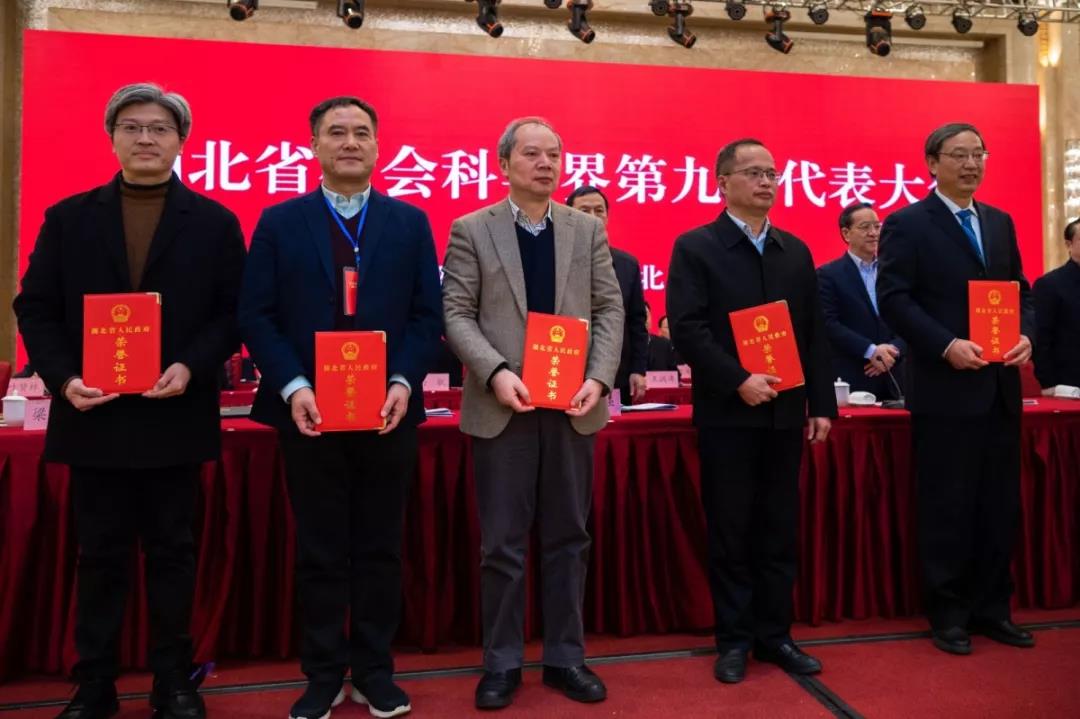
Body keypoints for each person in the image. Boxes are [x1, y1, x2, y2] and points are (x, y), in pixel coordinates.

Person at [13, 82, 246, 719]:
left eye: (160, 129)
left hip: (175, 412)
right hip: (94, 413)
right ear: (112, 138)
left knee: (174, 553)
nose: (146, 138)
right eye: (133, 127)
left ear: (181, 141)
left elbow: (233, 313)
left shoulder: (215, 223)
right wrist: (64, 379)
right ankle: (94, 684)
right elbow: (35, 307)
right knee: (99, 557)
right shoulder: (69, 218)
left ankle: (175, 682)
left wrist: (191, 365)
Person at [238, 96, 443, 719]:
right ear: (314, 146)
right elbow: (257, 314)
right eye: (336, 133)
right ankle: (324, 674)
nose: (350, 142)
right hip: (308, 413)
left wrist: (404, 380)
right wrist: (294, 386)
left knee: (381, 547)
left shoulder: (409, 222)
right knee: (320, 549)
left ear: (378, 147)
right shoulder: (280, 221)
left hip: (387, 411)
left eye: (361, 133)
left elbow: (426, 315)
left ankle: (375, 671)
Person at [442, 117, 623, 710]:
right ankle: (501, 663)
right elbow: (457, 313)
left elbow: (609, 308)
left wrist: (598, 377)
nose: (545, 164)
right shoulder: (472, 228)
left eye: (554, 155)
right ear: (504, 164)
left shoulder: (584, 229)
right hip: (504, 407)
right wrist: (495, 372)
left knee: (570, 537)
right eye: (531, 154)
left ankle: (566, 658)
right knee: (502, 545)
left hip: (573, 406)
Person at [666, 138, 835, 685]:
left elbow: (813, 332)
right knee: (732, 529)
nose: (766, 182)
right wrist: (737, 379)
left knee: (778, 528)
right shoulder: (697, 247)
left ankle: (775, 635)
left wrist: (821, 403)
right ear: (723, 182)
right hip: (728, 414)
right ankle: (734, 639)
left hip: (785, 414)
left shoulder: (795, 250)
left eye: (772, 173)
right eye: (755, 173)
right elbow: (687, 329)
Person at [878, 122, 1036, 655]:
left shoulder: (999, 221)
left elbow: (1021, 292)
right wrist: (945, 344)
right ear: (932, 163)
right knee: (948, 504)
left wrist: (1026, 335)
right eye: (959, 155)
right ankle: (948, 613)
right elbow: (894, 299)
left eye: (979, 154)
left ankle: (993, 609)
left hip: (999, 388)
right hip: (945, 389)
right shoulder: (907, 224)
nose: (972, 164)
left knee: (998, 504)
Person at [566, 185, 647, 403]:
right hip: (565, 364)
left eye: (599, 210)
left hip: (616, 372)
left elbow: (636, 321)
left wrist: (638, 369)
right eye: (584, 211)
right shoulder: (556, 261)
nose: (593, 217)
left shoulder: (627, 264)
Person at [817, 203, 905, 398]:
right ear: (846, 233)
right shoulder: (828, 275)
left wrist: (893, 350)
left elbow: (909, 316)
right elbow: (828, 323)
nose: (873, 233)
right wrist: (871, 351)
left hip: (896, 375)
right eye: (865, 227)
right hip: (854, 374)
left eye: (877, 226)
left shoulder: (894, 271)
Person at [1032, 219, 1080, 389]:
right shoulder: (1049, 284)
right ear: (1069, 244)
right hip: (1069, 384)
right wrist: (1048, 383)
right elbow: (1041, 339)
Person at [645, 303, 678, 372]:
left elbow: (675, 374)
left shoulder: (665, 345)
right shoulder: (623, 346)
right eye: (639, 316)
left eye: (646, 315)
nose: (643, 319)